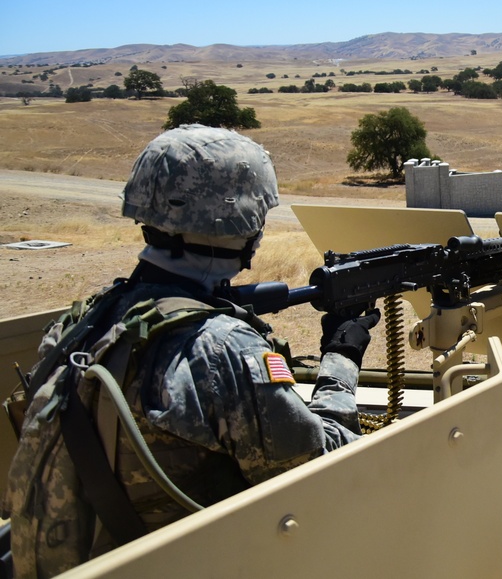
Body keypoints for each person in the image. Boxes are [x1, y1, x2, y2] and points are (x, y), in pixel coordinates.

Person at [3, 124, 379, 575]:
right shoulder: (220, 350)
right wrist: (342, 356)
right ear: (241, 221)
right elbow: (320, 467)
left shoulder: (79, 324)